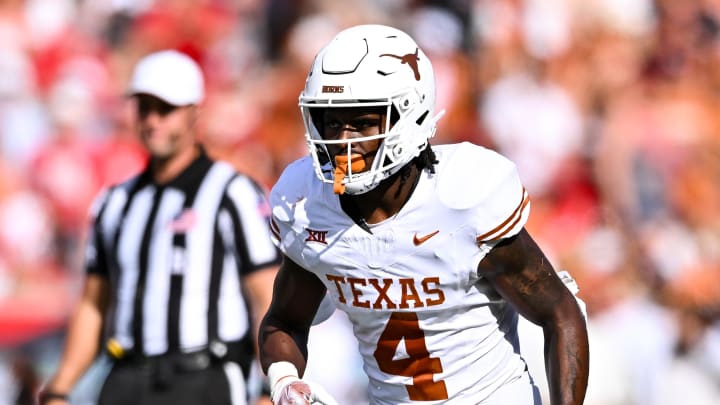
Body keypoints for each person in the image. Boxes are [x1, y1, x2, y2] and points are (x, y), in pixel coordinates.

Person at [259, 24, 589, 405]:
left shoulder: (462, 200)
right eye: (332, 122)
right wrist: (284, 380)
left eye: (363, 122)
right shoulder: (309, 206)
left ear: (409, 116)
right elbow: (284, 321)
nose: (343, 141)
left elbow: (561, 314)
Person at [38, 50, 281, 405]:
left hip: (205, 377)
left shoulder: (232, 192)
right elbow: (93, 303)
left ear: (194, 112)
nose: (153, 120)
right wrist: (60, 387)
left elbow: (268, 295)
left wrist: (268, 386)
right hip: (126, 377)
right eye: (144, 107)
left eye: (165, 109)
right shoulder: (115, 202)